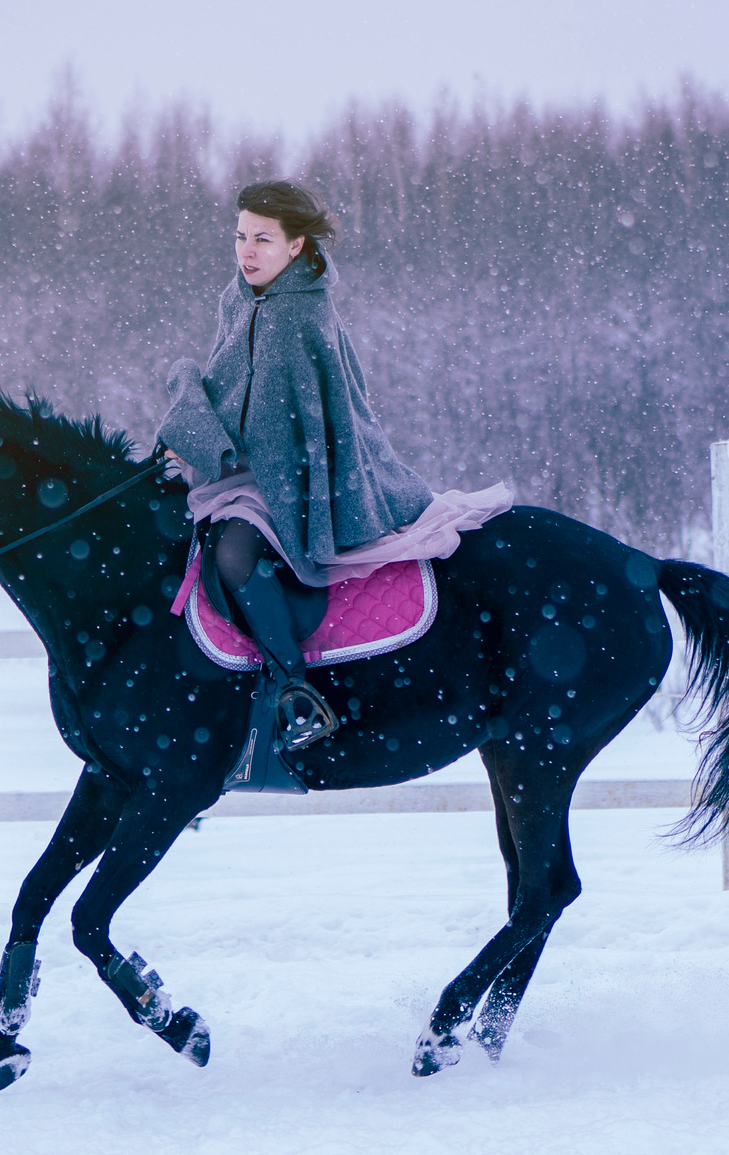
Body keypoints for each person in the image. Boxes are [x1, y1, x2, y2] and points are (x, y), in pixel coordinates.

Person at [156, 181, 511, 748]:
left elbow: (276, 428)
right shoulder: (241, 296)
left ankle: (294, 690)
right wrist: (193, 425)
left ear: (296, 246)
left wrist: (199, 437)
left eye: (263, 240)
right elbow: (232, 394)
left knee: (234, 552)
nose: (247, 252)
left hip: (296, 477)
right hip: (244, 467)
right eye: (241, 237)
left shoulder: (299, 315)